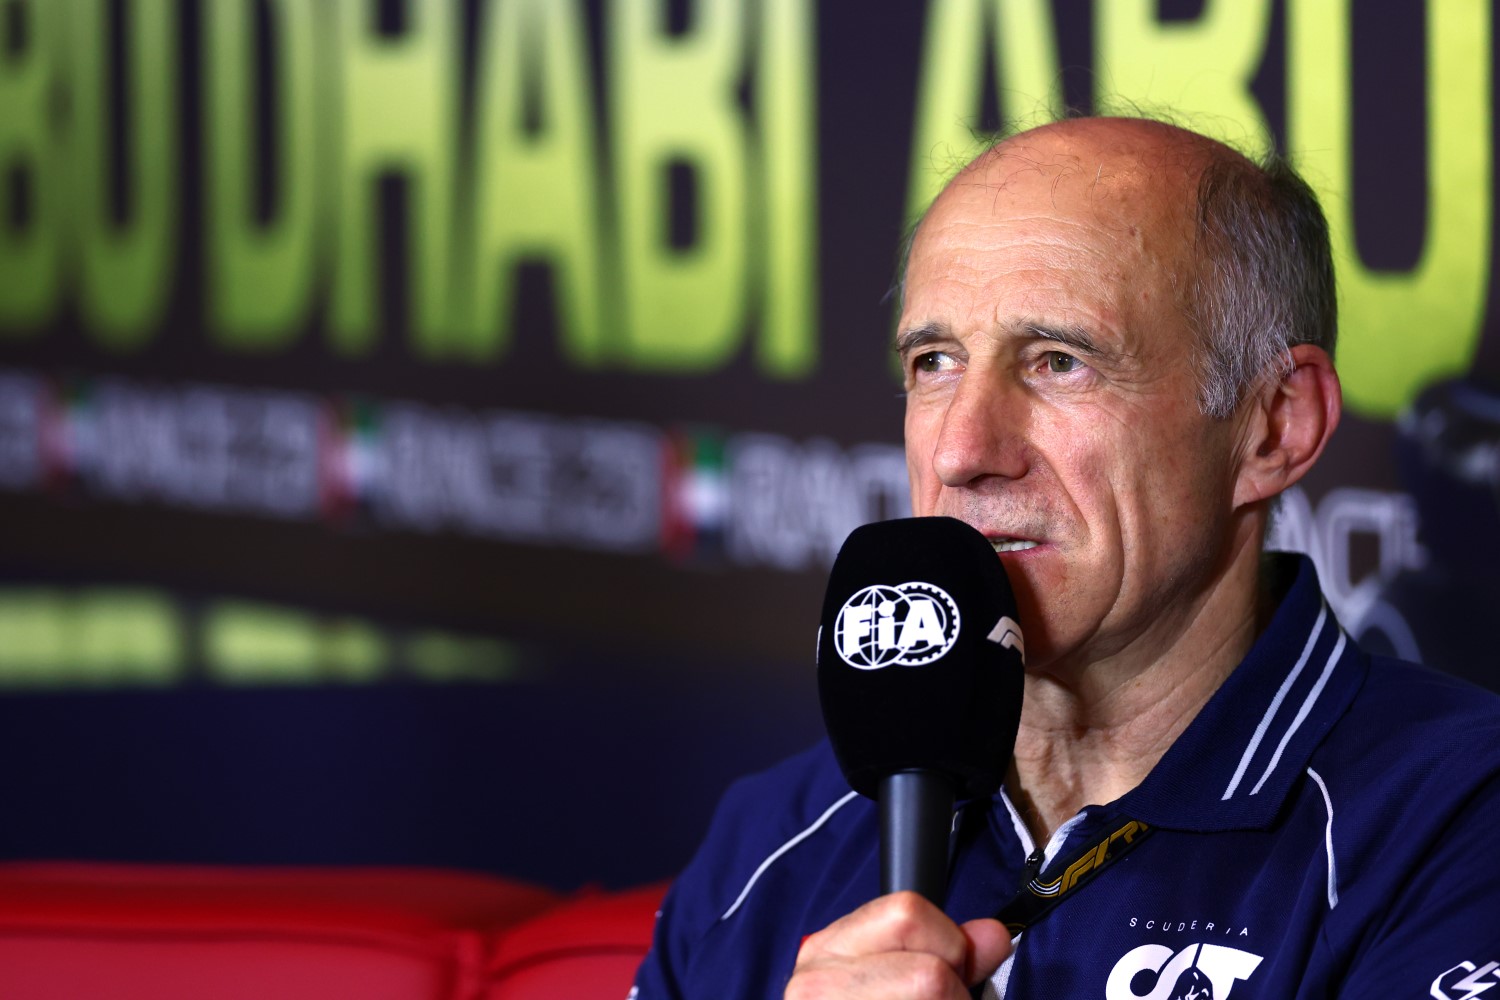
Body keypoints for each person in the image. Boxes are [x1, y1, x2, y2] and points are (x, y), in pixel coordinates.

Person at [629, 116, 1500, 999]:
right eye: (935, 362)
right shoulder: (776, 836)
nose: (964, 449)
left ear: (1275, 424)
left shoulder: (1459, 820)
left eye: (1057, 362)